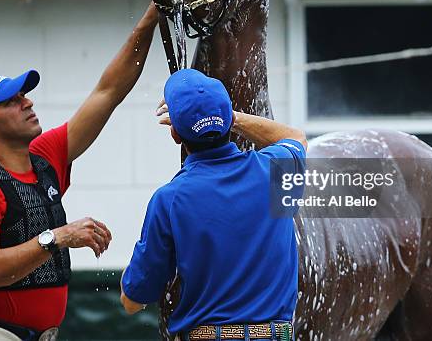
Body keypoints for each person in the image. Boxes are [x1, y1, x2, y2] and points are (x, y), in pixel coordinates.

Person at [0, 3, 159, 341]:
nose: (27, 102)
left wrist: (152, 16)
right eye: (11, 101)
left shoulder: (43, 157)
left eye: (24, 95)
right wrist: (58, 237)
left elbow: (109, 91)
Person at [120, 68, 307, 341]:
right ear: (230, 121)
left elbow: (132, 301)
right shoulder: (274, 170)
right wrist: (232, 117)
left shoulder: (169, 199)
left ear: (175, 135)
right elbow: (295, 137)